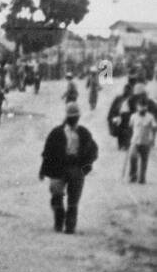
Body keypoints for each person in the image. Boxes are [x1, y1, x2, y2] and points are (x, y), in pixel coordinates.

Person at [39, 101, 98, 234]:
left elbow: (93, 153)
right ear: (67, 117)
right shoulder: (57, 133)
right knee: (56, 196)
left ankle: (70, 227)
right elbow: (47, 152)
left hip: (77, 169)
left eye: (75, 117)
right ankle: (59, 221)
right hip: (59, 169)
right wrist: (43, 170)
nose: (73, 120)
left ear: (78, 118)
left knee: (73, 200)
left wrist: (84, 170)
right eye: (71, 117)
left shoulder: (84, 133)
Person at [128, 96, 155, 184]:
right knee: (133, 158)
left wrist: (152, 140)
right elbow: (130, 127)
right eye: (140, 106)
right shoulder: (133, 116)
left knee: (144, 160)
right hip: (135, 141)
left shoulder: (150, 117)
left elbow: (154, 128)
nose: (142, 108)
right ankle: (133, 176)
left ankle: (142, 178)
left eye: (144, 106)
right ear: (137, 106)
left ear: (146, 107)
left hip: (145, 142)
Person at [107, 80, 134, 151]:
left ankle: (126, 145)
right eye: (126, 90)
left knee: (127, 132)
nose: (127, 91)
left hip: (128, 118)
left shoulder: (132, 99)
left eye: (129, 90)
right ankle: (122, 145)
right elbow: (112, 110)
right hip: (119, 118)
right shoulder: (119, 98)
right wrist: (112, 119)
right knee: (121, 131)